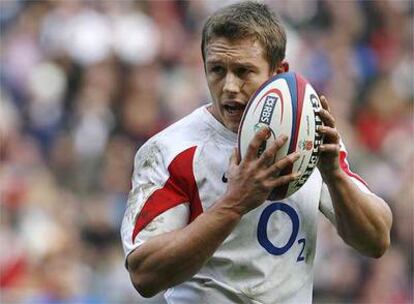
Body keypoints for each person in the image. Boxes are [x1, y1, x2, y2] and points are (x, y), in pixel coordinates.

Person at [121, 2, 393, 303]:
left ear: (279, 72)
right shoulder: (171, 149)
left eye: (243, 71)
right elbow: (144, 274)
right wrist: (234, 204)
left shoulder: (305, 136)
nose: (229, 86)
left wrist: (334, 176)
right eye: (217, 70)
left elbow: (376, 240)